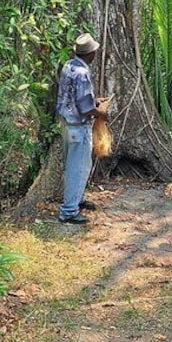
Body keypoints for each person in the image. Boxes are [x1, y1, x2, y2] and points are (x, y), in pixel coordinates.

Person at [55, 33, 109, 225]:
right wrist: (100, 112)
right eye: (94, 51)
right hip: (78, 127)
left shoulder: (68, 66)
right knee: (78, 168)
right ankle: (69, 211)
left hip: (66, 124)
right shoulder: (83, 73)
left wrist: (94, 101)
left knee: (73, 165)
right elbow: (85, 108)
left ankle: (76, 200)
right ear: (90, 54)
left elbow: (73, 97)